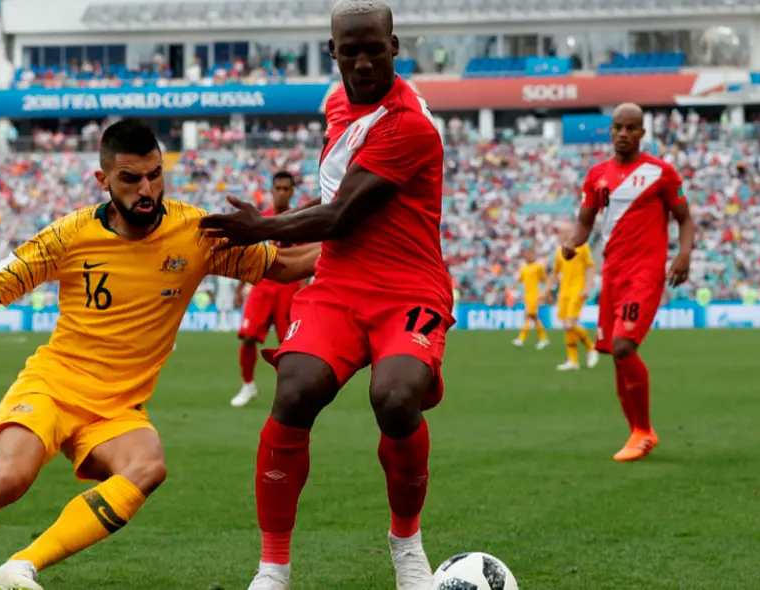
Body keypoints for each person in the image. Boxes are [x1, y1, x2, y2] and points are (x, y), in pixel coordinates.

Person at [0, 119, 320, 590]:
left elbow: (282, 265)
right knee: (8, 479)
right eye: (131, 178)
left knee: (148, 467)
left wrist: (351, 239)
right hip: (53, 386)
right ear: (103, 179)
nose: (147, 189)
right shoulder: (69, 235)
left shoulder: (196, 233)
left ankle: (21, 566)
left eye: (155, 174)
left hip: (118, 407)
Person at [200, 1, 449, 588]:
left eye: (375, 49)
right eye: (351, 51)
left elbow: (340, 214)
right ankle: (273, 568)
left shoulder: (408, 125)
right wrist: (284, 231)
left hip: (408, 287)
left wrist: (264, 227)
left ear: (395, 47)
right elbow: (336, 196)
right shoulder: (338, 104)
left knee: (395, 398)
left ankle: (407, 544)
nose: (363, 63)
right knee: (294, 390)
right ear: (332, 51)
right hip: (339, 283)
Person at [563, 102, 694, 462]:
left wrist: (684, 254)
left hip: (645, 274)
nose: (623, 134)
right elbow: (585, 221)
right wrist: (573, 243)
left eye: (630, 128)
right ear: (611, 131)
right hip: (613, 274)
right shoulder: (597, 175)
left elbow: (684, 218)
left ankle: (644, 431)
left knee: (624, 345)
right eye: (618, 127)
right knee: (616, 356)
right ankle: (637, 431)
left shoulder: (660, 173)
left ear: (642, 133)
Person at [231, 171, 301, 408]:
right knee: (248, 337)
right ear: (271, 190)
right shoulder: (261, 219)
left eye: (286, 189)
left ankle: (289, 390)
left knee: (288, 344)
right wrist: (240, 289)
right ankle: (248, 385)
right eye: (278, 188)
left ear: (292, 192)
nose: (281, 193)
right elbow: (250, 255)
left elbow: (308, 258)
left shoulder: (299, 220)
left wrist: (303, 291)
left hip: (289, 286)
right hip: (262, 284)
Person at [543, 222, 598, 370]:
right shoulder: (559, 251)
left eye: (565, 231)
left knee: (570, 324)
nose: (562, 234)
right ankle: (573, 361)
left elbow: (591, 267)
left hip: (577, 291)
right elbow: (555, 272)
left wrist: (587, 287)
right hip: (564, 292)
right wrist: (546, 290)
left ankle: (591, 347)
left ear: (571, 232)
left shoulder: (582, 247)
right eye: (560, 232)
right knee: (567, 327)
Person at [511, 248, 550, 350]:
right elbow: (519, 279)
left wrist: (546, 293)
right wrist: (513, 287)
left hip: (534, 296)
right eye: (525, 254)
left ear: (532, 255)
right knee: (533, 317)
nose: (527, 256)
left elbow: (545, 280)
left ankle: (521, 339)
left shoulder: (538, 267)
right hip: (527, 296)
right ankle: (543, 339)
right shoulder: (523, 268)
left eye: (529, 254)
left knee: (529, 316)